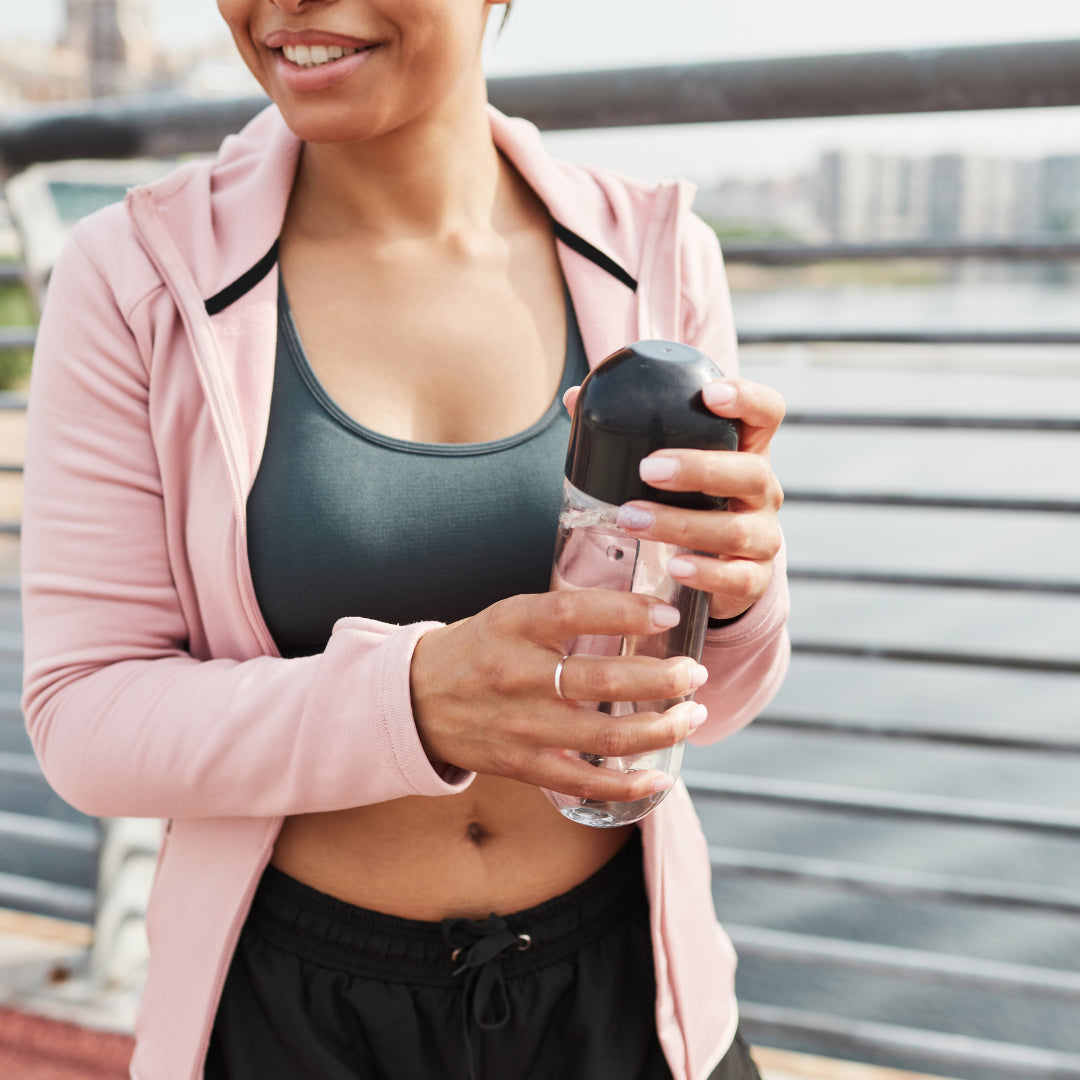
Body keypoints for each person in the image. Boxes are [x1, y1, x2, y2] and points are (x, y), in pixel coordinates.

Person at [20, 0, 789, 1077]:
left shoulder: (654, 254)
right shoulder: (136, 273)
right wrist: (414, 701)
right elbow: (85, 719)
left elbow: (715, 702)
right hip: (296, 1010)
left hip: (630, 993)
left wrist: (744, 596)